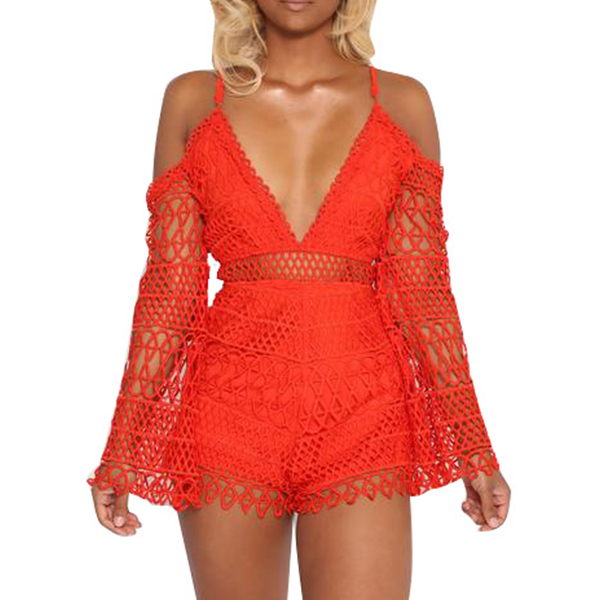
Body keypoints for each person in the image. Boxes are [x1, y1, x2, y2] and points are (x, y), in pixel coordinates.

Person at [88, 0, 511, 597]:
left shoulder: (402, 104)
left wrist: (474, 448)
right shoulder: (193, 101)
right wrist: (123, 445)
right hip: (228, 416)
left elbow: (423, 294)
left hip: (364, 416)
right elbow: (170, 291)